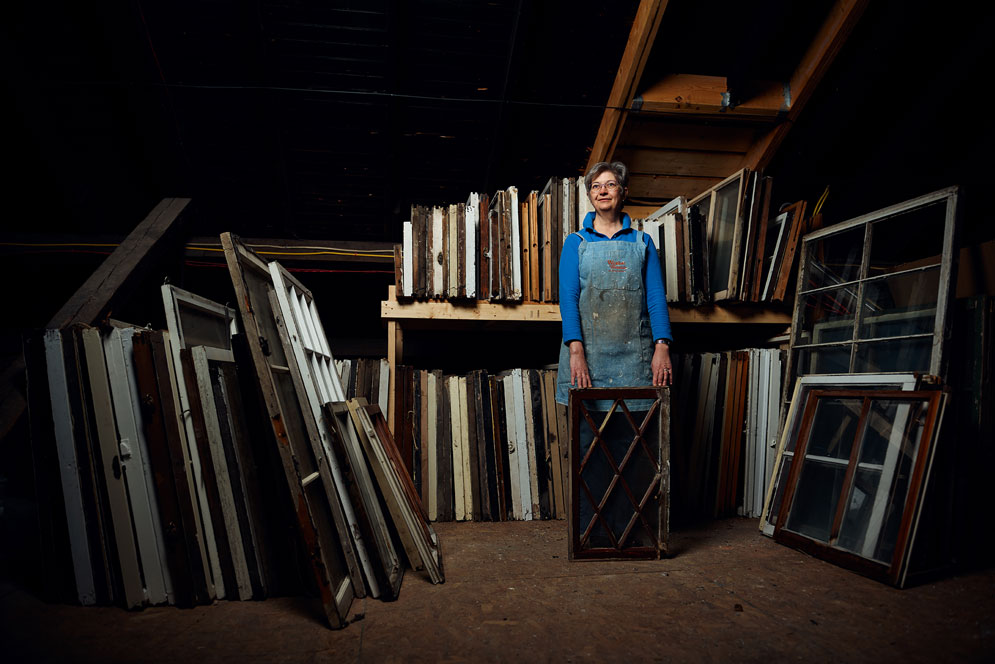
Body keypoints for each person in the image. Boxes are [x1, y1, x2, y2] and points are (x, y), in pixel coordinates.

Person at [555, 160, 673, 548]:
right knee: (591, 453)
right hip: (589, 361)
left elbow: (656, 298)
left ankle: (626, 534)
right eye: (595, 186)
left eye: (611, 184)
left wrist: (661, 347)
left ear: (623, 192)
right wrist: (576, 352)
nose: (603, 190)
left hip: (634, 360)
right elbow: (568, 299)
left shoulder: (641, 243)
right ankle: (592, 537)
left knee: (632, 455)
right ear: (590, 195)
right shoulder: (576, 242)